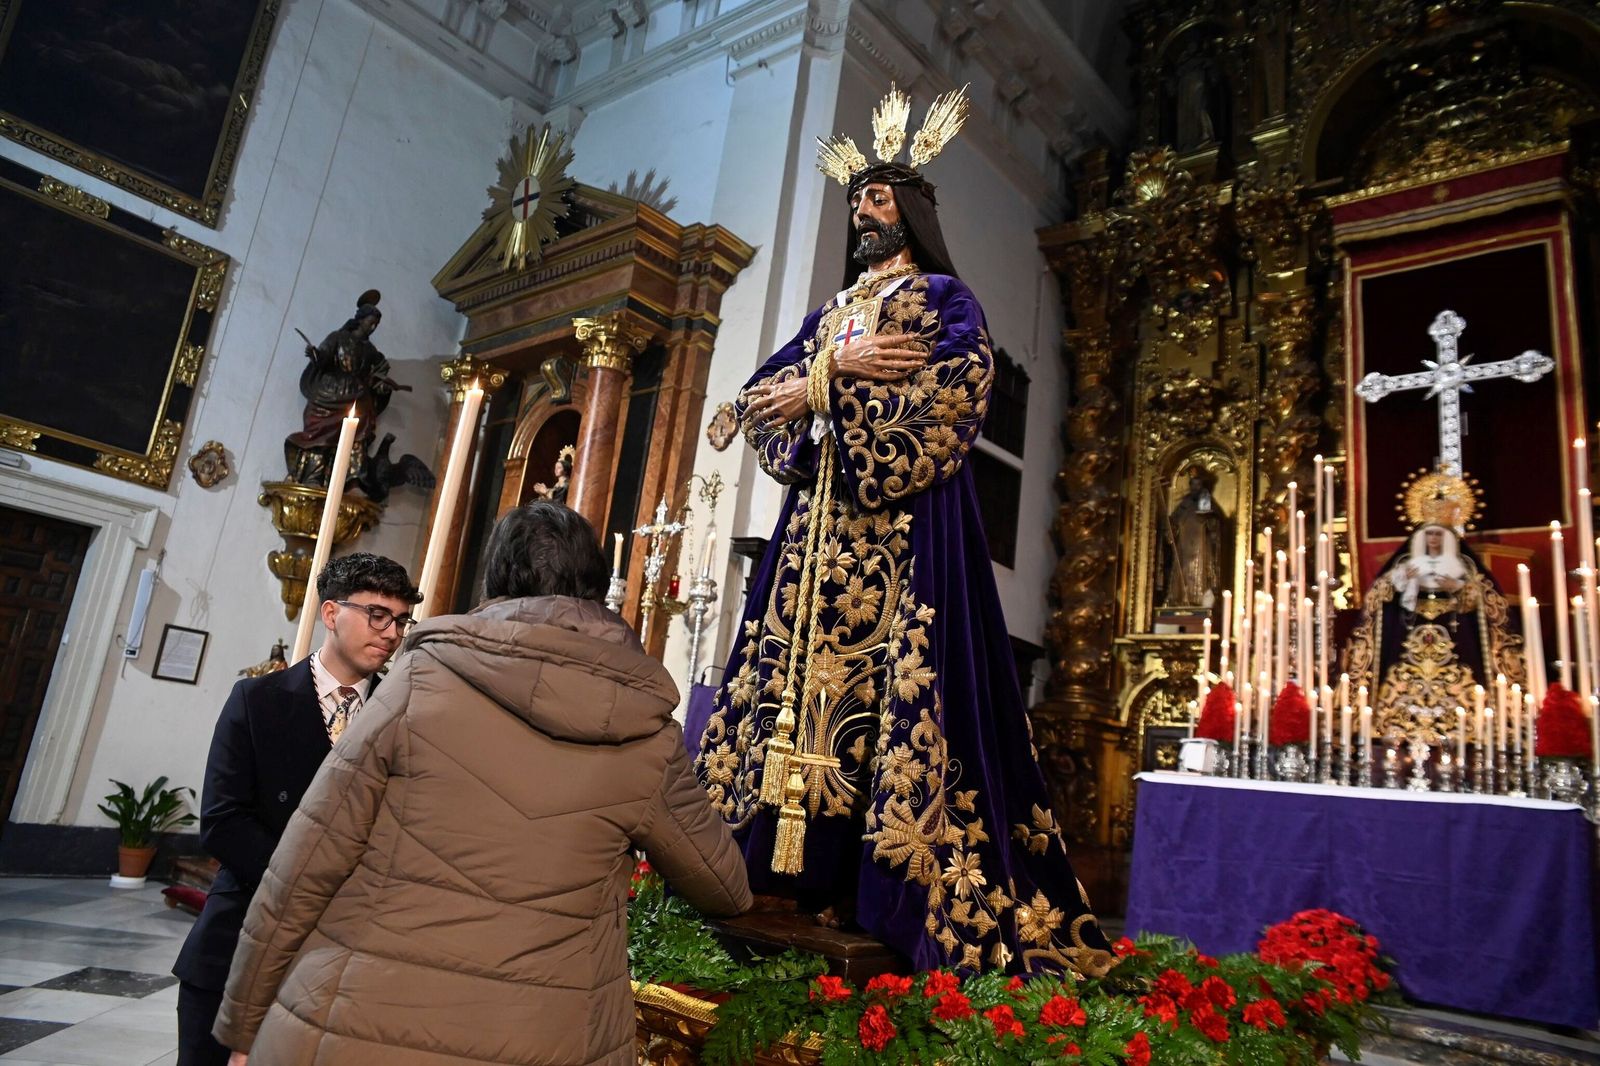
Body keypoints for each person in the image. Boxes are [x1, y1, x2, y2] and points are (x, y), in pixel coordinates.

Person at [693, 85, 1114, 979]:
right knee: (783, 691)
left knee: (882, 704)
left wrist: (827, 388)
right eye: (857, 202)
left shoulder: (943, 301)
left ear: (913, 211)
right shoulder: (829, 316)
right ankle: (771, 868)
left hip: (898, 541)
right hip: (812, 541)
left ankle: (870, 884)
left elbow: (957, 394)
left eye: (878, 201)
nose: (863, 215)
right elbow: (761, 402)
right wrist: (822, 379)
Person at [212, 502, 750, 1065]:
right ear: (595, 587)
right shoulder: (646, 732)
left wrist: (243, 1026)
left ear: (495, 580)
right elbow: (723, 884)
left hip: (361, 1020)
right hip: (547, 1038)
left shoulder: (421, 680)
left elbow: (306, 864)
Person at [172, 553, 420, 1066]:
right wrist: (308, 879)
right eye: (377, 615)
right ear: (331, 613)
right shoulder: (257, 700)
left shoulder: (405, 713)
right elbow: (222, 822)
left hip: (343, 955)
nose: (391, 632)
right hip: (240, 934)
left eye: (400, 620)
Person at [1161, 466, 1227, 608]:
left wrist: (1210, 521)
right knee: (1181, 575)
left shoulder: (1207, 502)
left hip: (1201, 550)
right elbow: (1173, 523)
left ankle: (1200, 602)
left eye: (1197, 484)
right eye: (1192, 484)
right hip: (1184, 550)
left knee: (1201, 576)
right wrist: (1171, 530)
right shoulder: (1184, 504)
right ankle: (1178, 600)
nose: (1194, 487)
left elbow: (1215, 524)